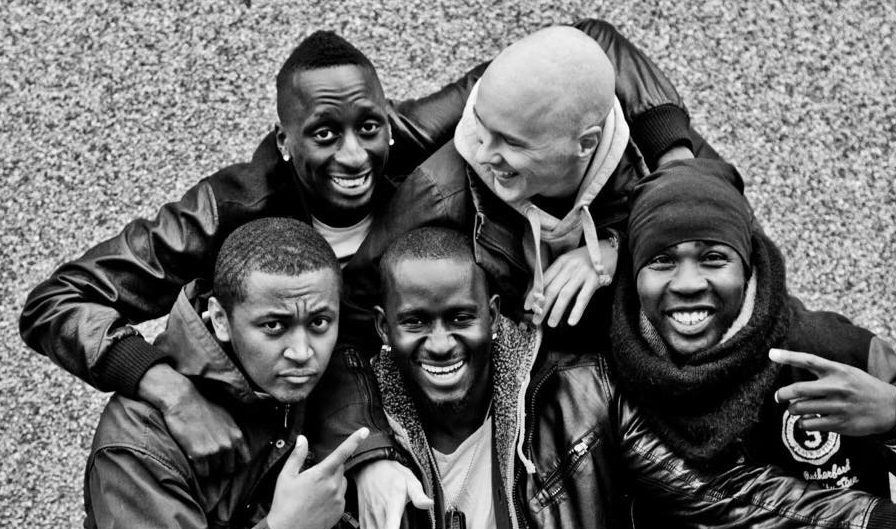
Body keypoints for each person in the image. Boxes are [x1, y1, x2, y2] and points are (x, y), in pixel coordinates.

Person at [20, 21, 702, 480]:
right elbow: (57, 301)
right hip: (264, 445)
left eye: (368, 127)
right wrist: (164, 387)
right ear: (284, 139)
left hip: (441, 427)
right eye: (324, 134)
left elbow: (591, 42)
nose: (354, 156)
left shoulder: (422, 143)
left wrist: (672, 174)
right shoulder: (228, 209)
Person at [371, 225, 896, 529]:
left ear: (493, 315)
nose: (441, 343)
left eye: (461, 318)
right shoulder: (357, 423)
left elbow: (725, 497)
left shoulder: (582, 395)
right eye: (416, 322)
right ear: (382, 327)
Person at [609, 158, 896, 525]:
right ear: (634, 274)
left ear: (747, 266)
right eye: (661, 260)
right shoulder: (612, 377)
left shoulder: (830, 351)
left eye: (713, 257)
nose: (688, 283)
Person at [345, 24, 716, 348]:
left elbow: (726, 244)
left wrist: (621, 247)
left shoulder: (652, 156)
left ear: (585, 144)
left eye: (512, 143)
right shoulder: (440, 192)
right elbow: (355, 307)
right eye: (482, 126)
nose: (484, 153)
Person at [84, 217, 371, 528]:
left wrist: (377, 462)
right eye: (274, 325)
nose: (302, 353)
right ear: (220, 319)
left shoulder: (318, 377)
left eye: (318, 323)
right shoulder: (139, 445)